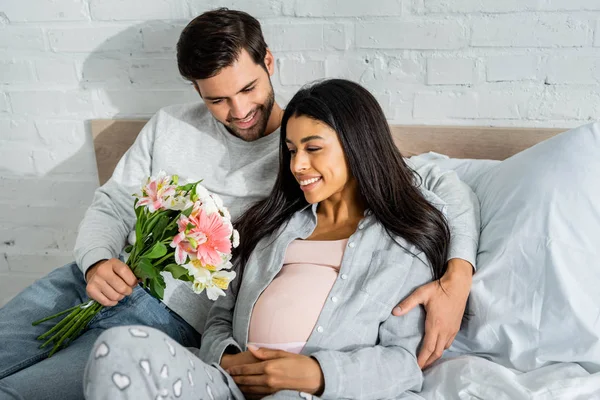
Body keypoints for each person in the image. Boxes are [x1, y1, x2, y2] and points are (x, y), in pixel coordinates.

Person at [0, 9, 477, 400]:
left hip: (169, 319)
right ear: (197, 91)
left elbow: (438, 180)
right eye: (218, 100)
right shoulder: (169, 126)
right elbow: (112, 204)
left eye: (247, 89)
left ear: (268, 61)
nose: (239, 111)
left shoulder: (309, 143)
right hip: (87, 282)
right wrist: (97, 260)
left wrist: (458, 276)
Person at [84, 78, 461, 400]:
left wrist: (316, 374)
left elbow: (404, 362)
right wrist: (227, 358)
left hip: (308, 394)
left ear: (359, 146)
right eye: (291, 150)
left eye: (313, 148)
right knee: (117, 347)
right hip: (228, 386)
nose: (297, 165)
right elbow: (219, 316)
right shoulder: (272, 225)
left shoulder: (403, 244)